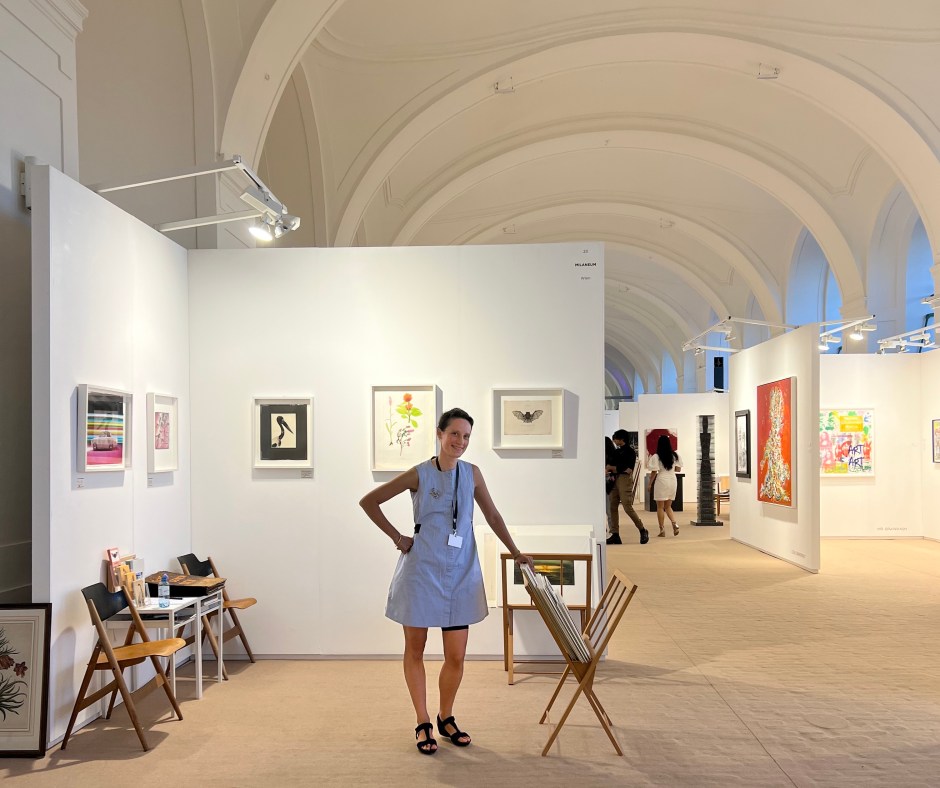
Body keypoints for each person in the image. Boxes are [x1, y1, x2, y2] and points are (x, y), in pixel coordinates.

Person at [359, 407, 534, 756]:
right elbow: (369, 501)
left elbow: (492, 515)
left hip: (460, 572)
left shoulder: (472, 474)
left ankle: (446, 717)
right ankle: (422, 720)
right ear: (439, 434)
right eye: (454, 433)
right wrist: (398, 537)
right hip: (421, 571)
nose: (460, 441)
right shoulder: (419, 474)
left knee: (456, 655)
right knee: (415, 649)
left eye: (466, 436)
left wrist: (515, 551)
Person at [606, 429, 648, 545]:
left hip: (624, 480)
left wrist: (613, 468)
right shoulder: (616, 451)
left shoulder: (630, 452)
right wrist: (615, 468)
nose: (614, 440)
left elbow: (628, 469)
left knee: (627, 507)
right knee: (612, 507)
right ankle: (615, 534)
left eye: (616, 438)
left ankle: (642, 529)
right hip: (614, 480)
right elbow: (614, 466)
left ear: (621, 439)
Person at [648, 434, 682, 537]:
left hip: (662, 480)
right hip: (672, 480)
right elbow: (678, 469)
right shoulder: (675, 455)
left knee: (660, 507)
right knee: (668, 506)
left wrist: (650, 484)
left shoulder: (656, 456)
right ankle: (674, 523)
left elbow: (654, 471)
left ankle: (662, 530)